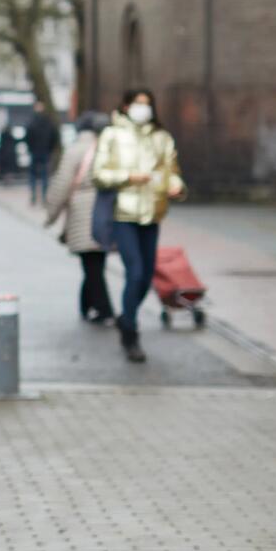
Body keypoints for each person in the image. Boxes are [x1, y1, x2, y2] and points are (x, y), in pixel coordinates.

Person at [92, 88, 186, 363]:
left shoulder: (161, 137)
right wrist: (129, 176)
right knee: (134, 272)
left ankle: (126, 314)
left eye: (147, 104)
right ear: (125, 105)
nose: (142, 109)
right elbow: (99, 174)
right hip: (124, 213)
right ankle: (130, 332)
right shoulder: (112, 135)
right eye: (137, 103)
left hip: (152, 213)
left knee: (145, 276)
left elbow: (173, 171)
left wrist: (176, 187)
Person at [42, 112, 114, 325]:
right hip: (107, 211)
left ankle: (104, 309)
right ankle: (88, 306)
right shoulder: (111, 148)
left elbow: (62, 183)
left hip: (83, 212)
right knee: (95, 262)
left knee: (91, 263)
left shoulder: (76, 150)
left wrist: (51, 214)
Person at [25, 100, 59, 206]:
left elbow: (28, 137)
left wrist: (30, 148)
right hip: (45, 151)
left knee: (33, 175)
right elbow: (54, 136)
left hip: (35, 151)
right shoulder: (48, 121)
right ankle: (44, 197)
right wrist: (50, 149)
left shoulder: (32, 121)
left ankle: (34, 196)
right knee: (44, 175)